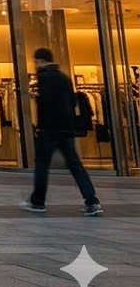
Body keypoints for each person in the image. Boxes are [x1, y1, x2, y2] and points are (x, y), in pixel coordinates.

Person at [21, 47, 103, 217]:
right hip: (66, 129)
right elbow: (72, 101)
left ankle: (38, 201)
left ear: (41, 61)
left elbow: (46, 104)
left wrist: (40, 125)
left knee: (42, 165)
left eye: (36, 61)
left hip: (50, 129)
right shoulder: (64, 77)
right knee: (75, 165)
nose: (35, 64)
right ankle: (92, 201)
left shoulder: (44, 77)